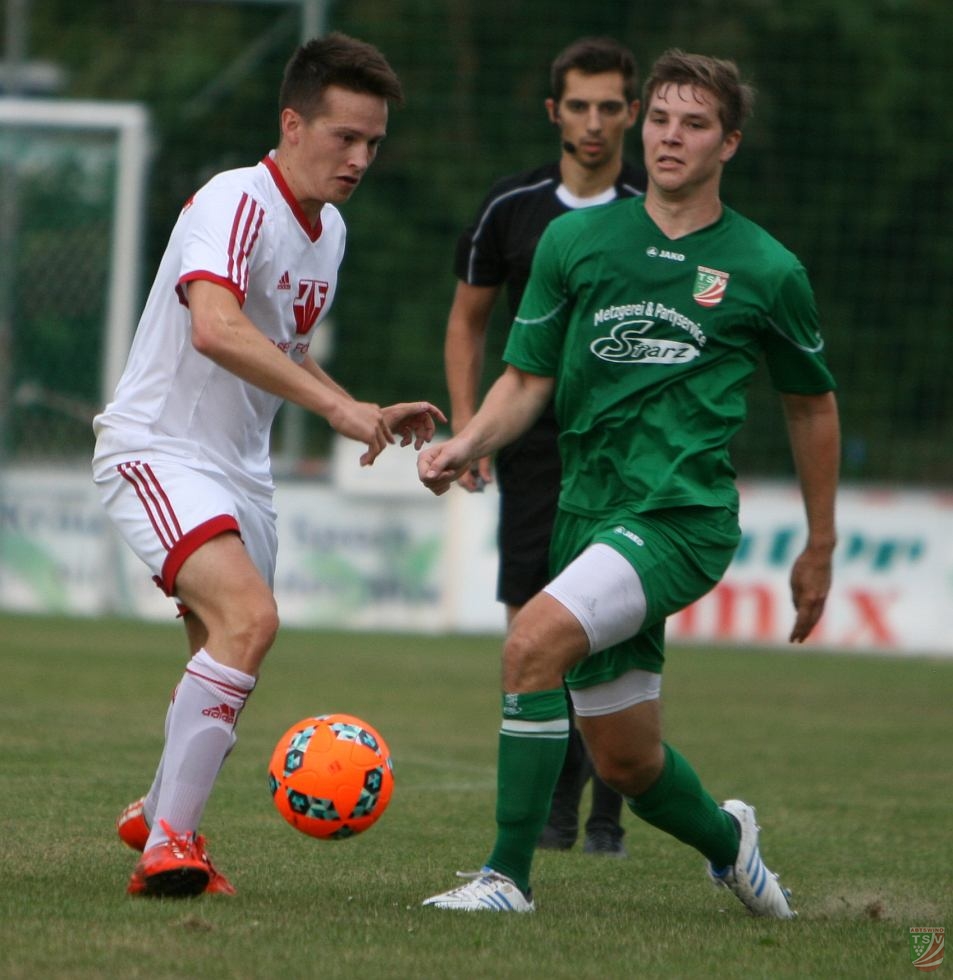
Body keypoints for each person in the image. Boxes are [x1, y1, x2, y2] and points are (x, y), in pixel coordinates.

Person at [418, 49, 839, 917]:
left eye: (692, 124)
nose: (668, 137)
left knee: (528, 644)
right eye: (658, 119)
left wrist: (819, 544)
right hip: (586, 516)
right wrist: (466, 442)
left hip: (680, 517)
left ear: (729, 142)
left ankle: (505, 878)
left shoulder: (766, 269)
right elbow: (527, 377)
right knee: (625, 761)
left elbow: (809, 407)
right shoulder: (575, 241)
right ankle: (732, 845)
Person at [92, 33, 444, 899]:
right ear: (292, 123)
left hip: (240, 470)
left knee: (226, 647)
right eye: (344, 137)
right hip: (157, 448)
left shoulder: (330, 231)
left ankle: (157, 808)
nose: (360, 158)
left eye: (373, 143)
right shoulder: (233, 199)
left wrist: (359, 401)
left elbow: (279, 346)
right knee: (249, 619)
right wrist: (335, 410)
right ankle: (170, 846)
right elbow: (214, 325)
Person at [444, 36, 643, 858]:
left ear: (630, 112)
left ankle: (605, 814)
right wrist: (468, 429)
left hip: (625, 451)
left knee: (614, 624)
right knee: (530, 627)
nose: (592, 123)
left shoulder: (650, 212)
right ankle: (556, 814)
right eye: (578, 105)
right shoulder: (511, 206)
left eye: (609, 106)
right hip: (531, 451)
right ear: (552, 111)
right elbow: (467, 321)